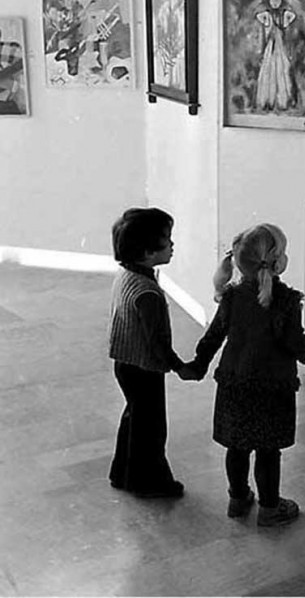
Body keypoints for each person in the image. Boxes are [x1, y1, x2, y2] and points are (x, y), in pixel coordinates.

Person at [179, 223, 305, 526]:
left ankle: (238, 499)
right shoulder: (287, 300)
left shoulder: (231, 296)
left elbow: (213, 336)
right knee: (268, 450)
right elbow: (294, 340)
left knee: (236, 446)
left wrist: (199, 365)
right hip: (272, 386)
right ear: (277, 260)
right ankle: (269, 508)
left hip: (234, 382)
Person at [108, 207, 187, 498]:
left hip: (125, 363)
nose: (172, 245)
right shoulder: (147, 292)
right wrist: (180, 367)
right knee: (152, 429)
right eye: (167, 240)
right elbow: (158, 343)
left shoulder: (127, 275)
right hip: (144, 367)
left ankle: (123, 473)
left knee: (135, 419)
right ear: (147, 251)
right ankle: (151, 482)